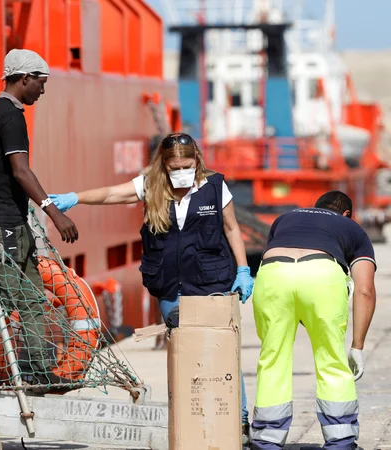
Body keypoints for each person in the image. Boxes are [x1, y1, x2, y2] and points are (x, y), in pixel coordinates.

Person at [49, 132, 254, 441]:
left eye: (187, 164)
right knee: (184, 355)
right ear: (164, 164)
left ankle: (237, 422)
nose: (181, 171)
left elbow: (232, 228)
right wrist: (75, 198)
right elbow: (110, 195)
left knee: (222, 351)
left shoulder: (214, 187)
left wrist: (243, 269)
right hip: (172, 286)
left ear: (196, 160)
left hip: (212, 282)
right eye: (175, 166)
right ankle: (190, 418)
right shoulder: (151, 185)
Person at [0, 48, 79, 393]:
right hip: (2, 225)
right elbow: (20, 170)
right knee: (16, 297)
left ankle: (13, 371)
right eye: (40, 83)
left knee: (15, 297)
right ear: (25, 78)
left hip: (6, 220)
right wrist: (54, 212)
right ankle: (2, 373)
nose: (42, 91)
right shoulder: (11, 117)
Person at [249, 191, 375, 450]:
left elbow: (282, 267)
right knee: (330, 359)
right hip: (321, 275)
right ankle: (340, 441)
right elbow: (365, 289)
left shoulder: (285, 218)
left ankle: (267, 440)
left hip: (273, 275)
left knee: (273, 358)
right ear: (347, 214)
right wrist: (357, 346)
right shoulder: (352, 228)